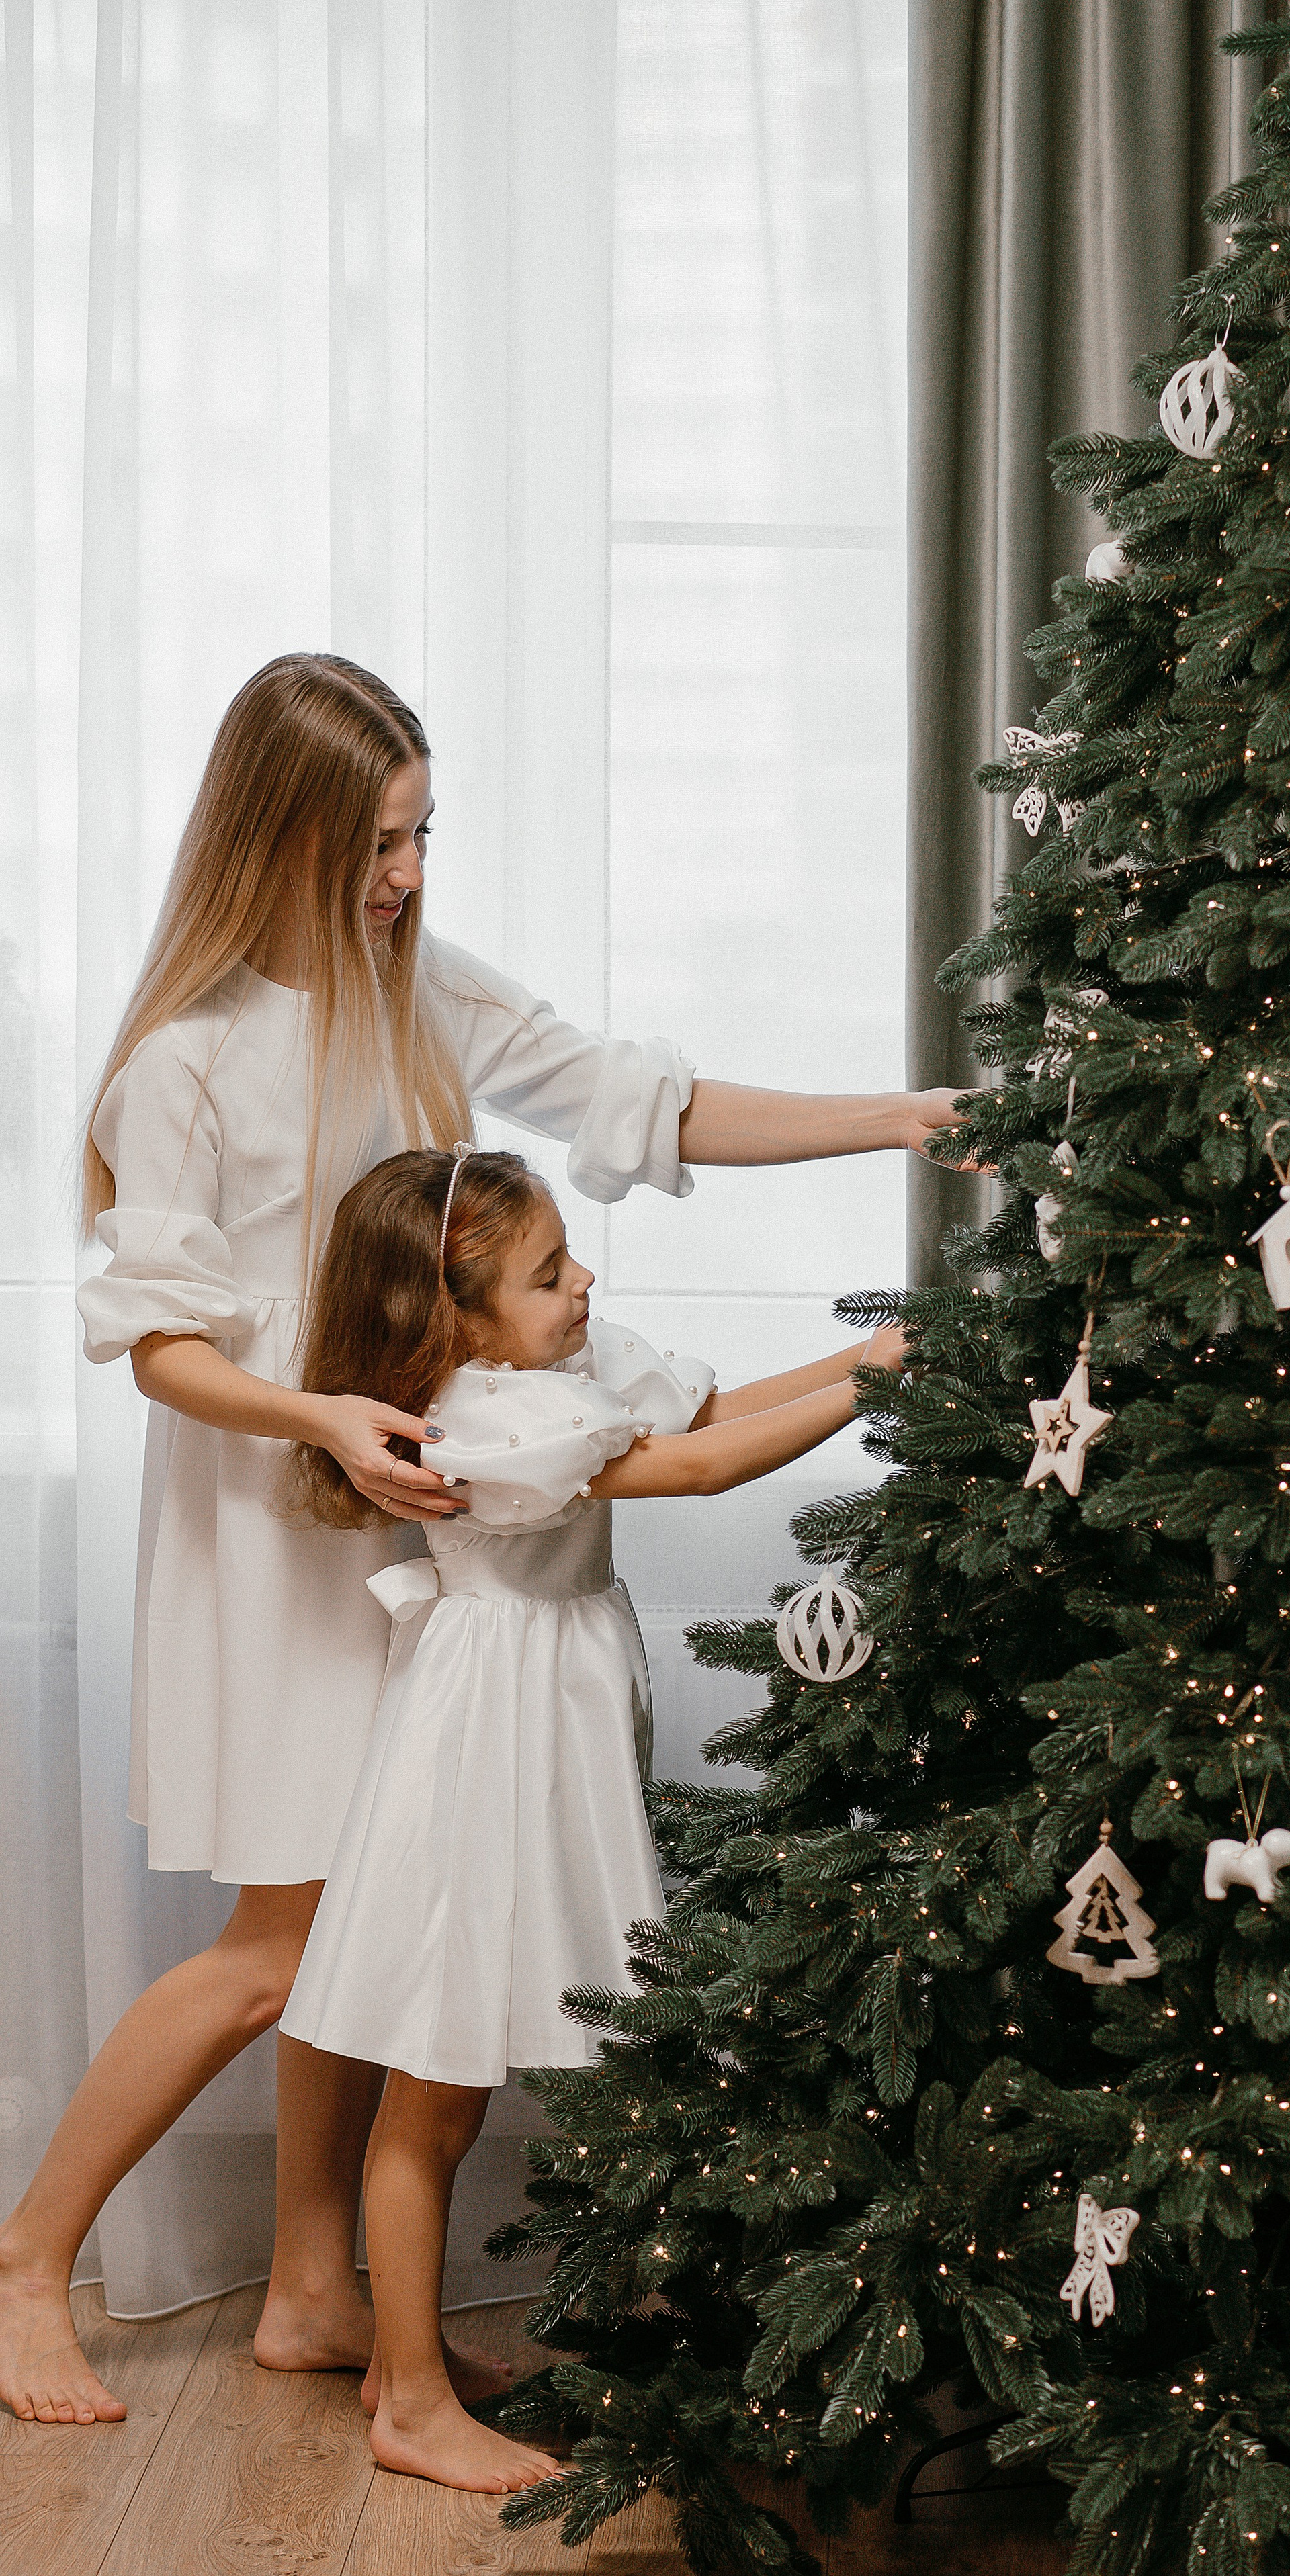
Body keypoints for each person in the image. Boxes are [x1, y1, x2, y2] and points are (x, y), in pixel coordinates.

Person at [0, 652, 960, 2426]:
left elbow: (642, 1102)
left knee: (362, 1913)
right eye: (379, 841)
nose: (409, 872)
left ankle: (312, 2280)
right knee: (282, 1938)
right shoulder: (184, 1061)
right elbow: (157, 1345)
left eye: (425, 833)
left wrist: (894, 1118)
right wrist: (323, 1421)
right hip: (271, 1534)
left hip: (423, 1520)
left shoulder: (416, 990)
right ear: (279, 832)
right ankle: (23, 2261)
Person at [277, 1145, 907, 2490]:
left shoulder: (557, 1374)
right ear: (454, 1316)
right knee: (436, 2082)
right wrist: (874, 1377)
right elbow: (692, 1473)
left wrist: (874, 1353)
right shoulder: (477, 1417)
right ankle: (410, 2407)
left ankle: (404, 2362)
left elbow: (707, 1409)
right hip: (485, 1735)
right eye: (548, 1273)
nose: (582, 1284)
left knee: (476, 2062)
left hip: (548, 1708)